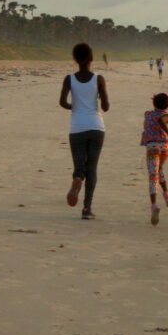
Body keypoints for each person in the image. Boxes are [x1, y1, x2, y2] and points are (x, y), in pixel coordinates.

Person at [59, 42, 110, 220]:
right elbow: (106, 106)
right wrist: (99, 100)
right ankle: (87, 209)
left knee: (79, 165)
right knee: (92, 168)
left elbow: (62, 102)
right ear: (91, 59)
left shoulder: (69, 79)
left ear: (75, 59)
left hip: (77, 127)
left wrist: (75, 106)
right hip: (96, 126)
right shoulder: (99, 79)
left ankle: (77, 179)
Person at [140, 92, 168, 225]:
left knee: (152, 175)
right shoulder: (167, 116)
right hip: (165, 147)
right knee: (159, 169)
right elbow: (162, 119)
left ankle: (154, 205)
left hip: (152, 147)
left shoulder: (147, 114)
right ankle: (166, 195)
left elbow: (158, 120)